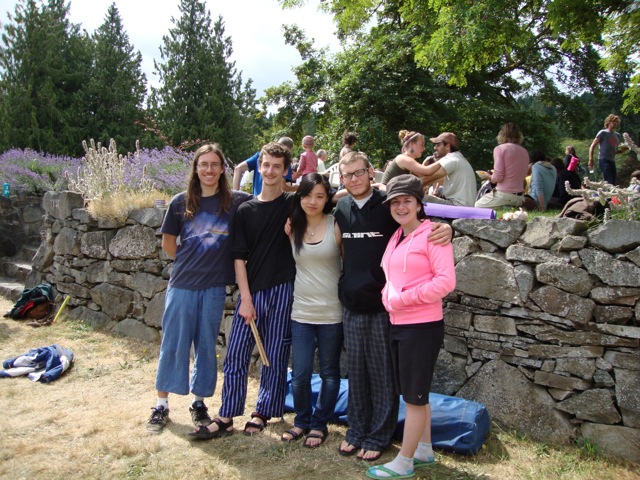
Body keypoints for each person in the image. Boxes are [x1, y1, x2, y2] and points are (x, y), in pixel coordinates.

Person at [334, 151, 452, 461]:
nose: (355, 179)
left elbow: (421, 215)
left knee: (383, 375)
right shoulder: (341, 207)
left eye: (360, 172)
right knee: (356, 374)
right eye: (348, 175)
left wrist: (447, 227)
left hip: (385, 307)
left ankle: (379, 436)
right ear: (342, 179)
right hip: (352, 303)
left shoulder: (388, 204)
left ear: (371, 172)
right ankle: (356, 430)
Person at [191, 142, 296, 439]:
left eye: (277, 166)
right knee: (236, 353)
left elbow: (329, 197)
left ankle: (263, 411)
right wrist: (245, 299)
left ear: (285, 169)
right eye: (266, 165)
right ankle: (226, 415)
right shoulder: (246, 209)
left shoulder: (293, 204)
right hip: (252, 291)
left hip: (284, 288)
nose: (271, 171)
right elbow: (239, 256)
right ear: (258, 167)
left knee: (274, 354)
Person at [146, 144, 251, 434]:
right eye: (203, 164)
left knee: (206, 346)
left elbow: (267, 205)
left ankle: (199, 403)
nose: (208, 170)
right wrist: (191, 263)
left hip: (214, 288)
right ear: (196, 168)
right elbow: (169, 244)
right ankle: (161, 406)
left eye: (214, 164)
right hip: (182, 285)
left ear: (222, 169)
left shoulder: (235, 202)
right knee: (174, 343)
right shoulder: (180, 202)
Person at [366, 175, 456, 480]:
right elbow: (392, 278)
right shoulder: (397, 236)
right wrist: (388, 296)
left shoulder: (433, 235)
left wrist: (403, 299)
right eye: (395, 201)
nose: (401, 206)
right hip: (399, 324)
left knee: (413, 399)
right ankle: (424, 449)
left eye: (407, 200)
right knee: (416, 393)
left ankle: (404, 462)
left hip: (422, 326)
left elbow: (445, 282)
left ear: (419, 204)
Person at [281, 173, 343, 448]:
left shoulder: (336, 225)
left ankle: (320, 424)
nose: (313, 201)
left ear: (327, 198)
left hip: (332, 312)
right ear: (300, 197)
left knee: (330, 373)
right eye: (307, 195)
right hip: (301, 312)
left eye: (320, 196)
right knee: (301, 372)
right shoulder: (293, 227)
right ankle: (302, 421)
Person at [475, 123, 530, 209]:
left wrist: (488, 176)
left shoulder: (500, 149)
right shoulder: (524, 151)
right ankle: (510, 207)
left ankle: (506, 207)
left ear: (502, 135)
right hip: (520, 198)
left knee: (478, 205)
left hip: (504, 194)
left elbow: (497, 177)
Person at [589, 114, 623, 185]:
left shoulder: (617, 135)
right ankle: (607, 196)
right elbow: (592, 146)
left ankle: (611, 196)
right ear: (608, 122)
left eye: (616, 122)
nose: (615, 123)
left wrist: (621, 151)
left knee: (613, 181)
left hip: (612, 160)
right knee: (609, 180)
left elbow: (614, 151)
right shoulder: (603, 133)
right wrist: (591, 159)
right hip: (603, 159)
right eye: (613, 121)